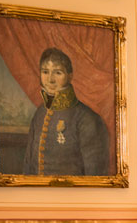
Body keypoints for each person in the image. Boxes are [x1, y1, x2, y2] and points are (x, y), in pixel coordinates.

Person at [23, 47, 109, 176]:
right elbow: (28, 165)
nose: (50, 79)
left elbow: (95, 175)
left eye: (58, 73)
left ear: (70, 76)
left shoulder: (87, 119)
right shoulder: (40, 113)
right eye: (45, 72)